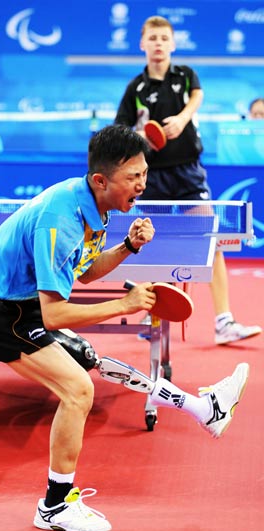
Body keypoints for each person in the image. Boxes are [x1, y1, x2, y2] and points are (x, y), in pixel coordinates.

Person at [0, 124, 249, 531]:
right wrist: (125, 305)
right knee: (78, 390)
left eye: (144, 174)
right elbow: (55, 314)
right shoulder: (60, 220)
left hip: (21, 307)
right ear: (101, 179)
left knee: (90, 361)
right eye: (134, 178)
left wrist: (128, 247)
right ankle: (55, 506)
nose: (143, 185)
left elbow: (87, 272)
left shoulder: (96, 205)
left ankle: (204, 410)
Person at [115, 15, 262, 346]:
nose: (158, 43)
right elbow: (122, 129)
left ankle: (224, 322)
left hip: (188, 172)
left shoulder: (185, 76)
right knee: (149, 246)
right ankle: (151, 316)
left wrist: (182, 119)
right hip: (150, 176)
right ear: (142, 44)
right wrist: (140, 135)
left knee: (211, 241)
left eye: (164, 38)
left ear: (173, 44)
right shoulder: (135, 89)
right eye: (152, 38)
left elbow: (197, 95)